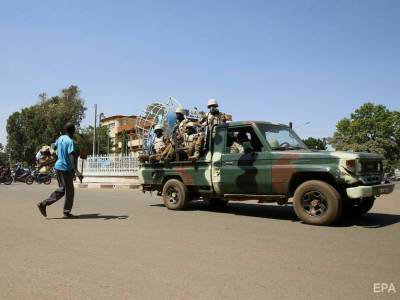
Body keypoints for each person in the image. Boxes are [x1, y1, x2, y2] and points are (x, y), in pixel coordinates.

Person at [37, 123, 82, 218]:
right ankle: (66, 212)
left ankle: (44, 204)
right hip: (65, 169)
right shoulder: (70, 142)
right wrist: (77, 171)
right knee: (70, 191)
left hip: (58, 167)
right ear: (73, 130)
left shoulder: (61, 138)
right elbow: (71, 157)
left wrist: (54, 152)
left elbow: (54, 146)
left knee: (62, 189)